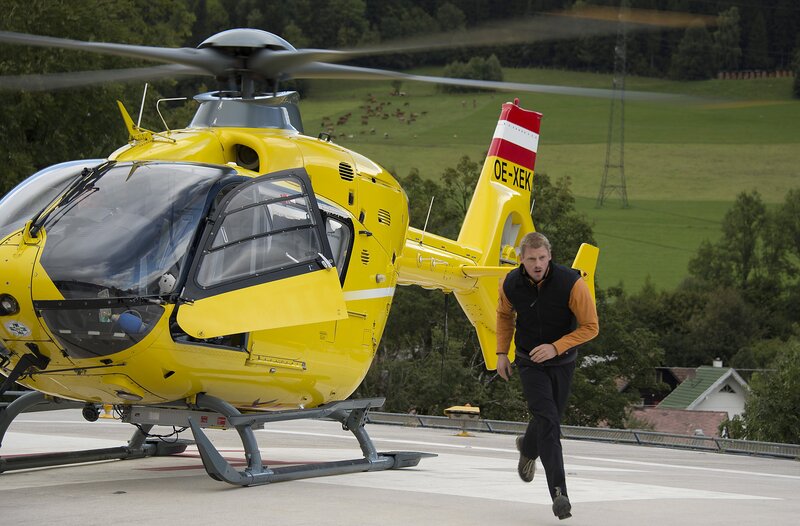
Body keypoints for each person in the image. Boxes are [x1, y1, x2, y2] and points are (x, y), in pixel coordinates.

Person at [496, 232, 599, 520]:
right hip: (528, 362)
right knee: (549, 423)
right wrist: (501, 353)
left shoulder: (572, 283)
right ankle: (559, 494)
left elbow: (591, 327)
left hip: (562, 361)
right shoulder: (511, 283)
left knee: (547, 419)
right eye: (531, 259)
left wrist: (556, 347)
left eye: (542, 258)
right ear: (522, 260)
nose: (538, 264)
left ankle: (527, 448)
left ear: (550, 256)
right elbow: (504, 316)